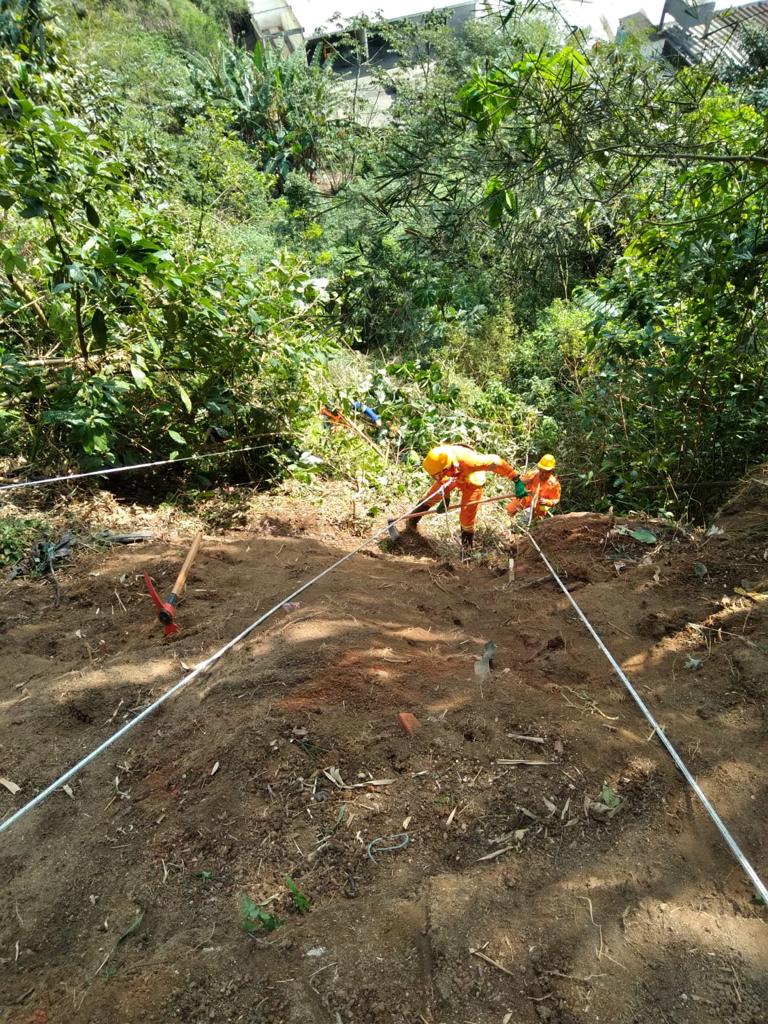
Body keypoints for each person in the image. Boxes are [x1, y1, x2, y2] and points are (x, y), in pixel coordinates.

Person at [404, 443, 526, 555]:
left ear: (446, 468)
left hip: (472, 479)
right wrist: (445, 498)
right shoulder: (438, 461)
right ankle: (410, 524)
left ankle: (466, 552)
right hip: (453, 475)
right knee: (431, 496)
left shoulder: (471, 462)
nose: (436, 478)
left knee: (466, 517)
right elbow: (441, 480)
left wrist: (516, 479)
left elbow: (496, 462)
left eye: (437, 475)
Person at [505, 454, 561, 520]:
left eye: (545, 472)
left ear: (551, 471)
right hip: (524, 500)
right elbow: (519, 484)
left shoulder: (554, 484)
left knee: (522, 519)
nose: (541, 474)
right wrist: (524, 482)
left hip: (537, 508)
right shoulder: (533, 474)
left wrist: (547, 502)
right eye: (540, 470)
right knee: (508, 511)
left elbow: (555, 500)